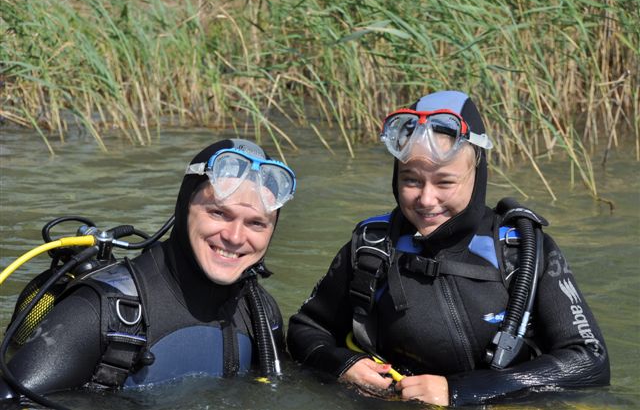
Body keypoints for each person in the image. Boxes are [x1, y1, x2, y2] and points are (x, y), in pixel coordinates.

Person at [287, 90, 610, 406]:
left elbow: (589, 361)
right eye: (411, 180)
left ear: (477, 174)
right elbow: (306, 330)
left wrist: (459, 391)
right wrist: (343, 365)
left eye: (445, 182)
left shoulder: (522, 250)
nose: (426, 200)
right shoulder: (371, 247)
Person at [1, 139, 296, 404]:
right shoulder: (101, 311)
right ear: (183, 208)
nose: (234, 236)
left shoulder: (260, 313)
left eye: (256, 223)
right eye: (219, 213)